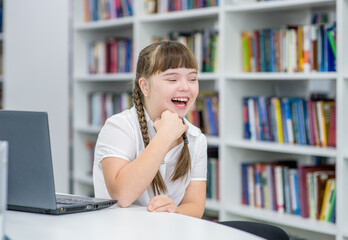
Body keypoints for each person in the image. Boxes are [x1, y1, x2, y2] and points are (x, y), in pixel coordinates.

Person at [93, 41, 207, 218]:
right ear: (145, 86)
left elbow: (195, 206)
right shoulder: (119, 127)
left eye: (192, 79)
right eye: (172, 79)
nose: (185, 87)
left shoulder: (196, 138)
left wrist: (175, 210)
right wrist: (165, 137)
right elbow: (122, 195)